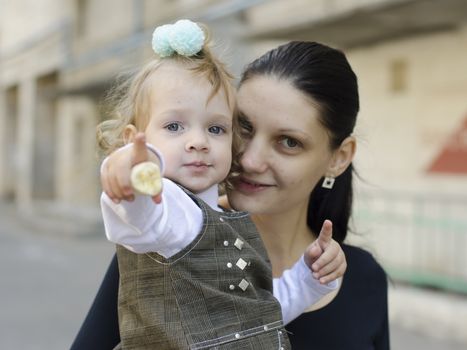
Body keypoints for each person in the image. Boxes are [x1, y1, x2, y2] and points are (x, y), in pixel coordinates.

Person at [71, 40, 389, 350]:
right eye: (244, 128)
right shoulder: (164, 235)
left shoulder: (363, 278)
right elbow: (138, 204)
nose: (249, 159)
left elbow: (260, 310)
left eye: (289, 142)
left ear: (339, 157)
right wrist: (136, 168)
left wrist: (310, 278)